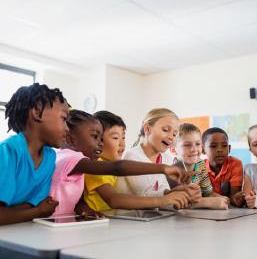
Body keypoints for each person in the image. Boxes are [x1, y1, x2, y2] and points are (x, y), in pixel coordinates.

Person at [49, 110, 191, 215]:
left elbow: (77, 199)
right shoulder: (80, 161)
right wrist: (163, 172)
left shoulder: (83, 164)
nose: (99, 143)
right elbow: (116, 191)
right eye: (95, 137)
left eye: (123, 138)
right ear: (70, 139)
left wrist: (86, 210)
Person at [0, 83, 69, 225]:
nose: (67, 128)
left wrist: (24, 211)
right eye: (64, 119)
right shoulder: (8, 152)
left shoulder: (50, 157)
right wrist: (37, 212)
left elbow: (31, 204)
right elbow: (37, 209)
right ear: (37, 111)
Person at [116, 108, 201, 204]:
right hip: (129, 216)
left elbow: (162, 192)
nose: (171, 137)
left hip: (154, 215)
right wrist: (171, 194)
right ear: (147, 129)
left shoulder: (168, 157)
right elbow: (145, 194)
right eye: (165, 130)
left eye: (174, 134)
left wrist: (182, 190)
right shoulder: (131, 156)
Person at [175, 123, 229, 209]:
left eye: (197, 144)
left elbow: (208, 193)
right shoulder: (172, 169)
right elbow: (174, 202)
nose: (194, 149)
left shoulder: (200, 165)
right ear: (173, 149)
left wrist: (222, 198)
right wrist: (208, 202)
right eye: (187, 145)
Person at [202, 127, 244, 207]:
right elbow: (199, 195)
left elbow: (234, 197)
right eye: (213, 146)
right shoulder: (199, 167)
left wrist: (237, 199)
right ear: (203, 149)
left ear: (229, 148)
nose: (219, 150)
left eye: (224, 146)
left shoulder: (235, 164)